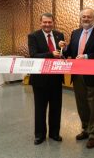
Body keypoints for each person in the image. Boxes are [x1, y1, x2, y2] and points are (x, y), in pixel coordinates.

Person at [59, 8, 94, 149]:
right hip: (77, 76)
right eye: (84, 17)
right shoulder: (75, 33)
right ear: (81, 18)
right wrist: (64, 47)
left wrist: (87, 56)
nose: (86, 19)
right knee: (82, 105)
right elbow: (70, 52)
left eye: (89, 17)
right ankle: (85, 129)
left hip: (93, 76)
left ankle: (93, 135)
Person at [28, 12, 64, 145]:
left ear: (53, 22)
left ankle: (55, 133)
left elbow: (61, 55)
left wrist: (63, 49)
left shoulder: (59, 35)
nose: (47, 24)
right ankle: (39, 135)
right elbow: (33, 55)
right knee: (40, 108)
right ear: (40, 22)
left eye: (50, 22)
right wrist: (50, 54)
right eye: (45, 22)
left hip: (56, 78)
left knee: (56, 107)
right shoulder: (33, 36)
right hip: (40, 79)